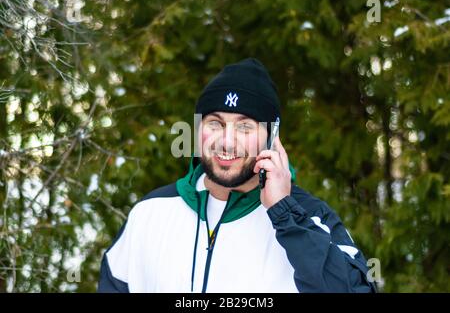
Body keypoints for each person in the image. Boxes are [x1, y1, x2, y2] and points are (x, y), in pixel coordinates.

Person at [98, 58, 377, 293]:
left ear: (272, 137)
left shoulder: (308, 217)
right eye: (215, 123)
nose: (227, 142)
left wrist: (285, 214)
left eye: (245, 127)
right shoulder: (150, 213)